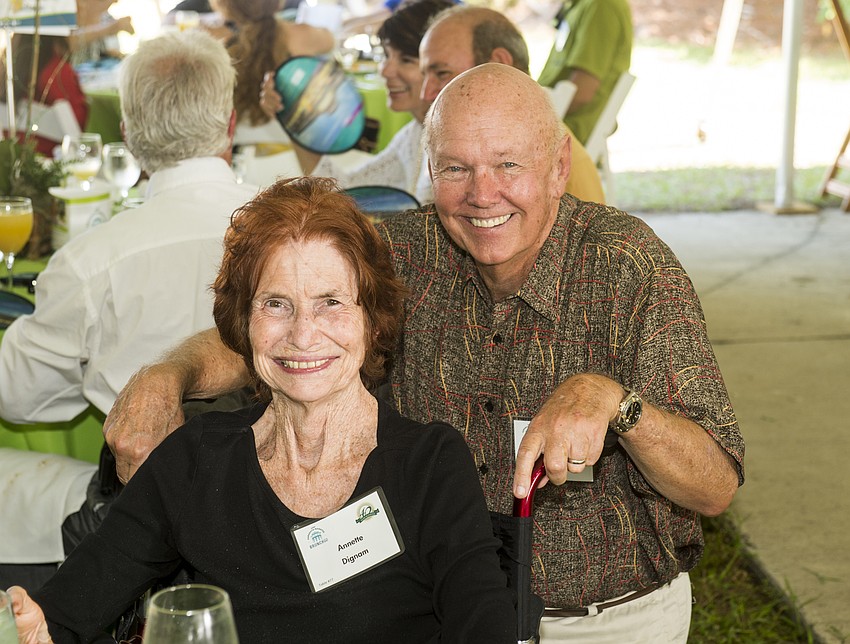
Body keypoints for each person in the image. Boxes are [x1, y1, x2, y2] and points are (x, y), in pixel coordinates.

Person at [101, 64, 745, 642]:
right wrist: (170, 374)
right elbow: (279, 329)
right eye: (455, 168)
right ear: (428, 170)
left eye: (508, 166)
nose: (481, 194)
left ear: (557, 166)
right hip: (422, 608)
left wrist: (616, 403)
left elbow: (714, 486)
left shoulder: (629, 270)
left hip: (600, 621)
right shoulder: (402, 253)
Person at [8, 176, 516, 643]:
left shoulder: (428, 465)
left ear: (373, 322)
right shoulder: (196, 460)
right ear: (243, 325)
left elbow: (483, 629)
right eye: (276, 303)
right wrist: (39, 632)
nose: (301, 334)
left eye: (331, 302)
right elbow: (63, 614)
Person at [0, 30, 258, 586]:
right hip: (283, 501)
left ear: (129, 138)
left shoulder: (92, 260)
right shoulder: (293, 226)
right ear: (231, 125)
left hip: (144, 517)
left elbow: (17, 398)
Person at [260, 0, 455, 204]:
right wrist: (293, 118)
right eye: (386, 55)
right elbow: (351, 191)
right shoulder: (414, 134)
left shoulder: (449, 143)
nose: (384, 70)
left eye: (406, 60)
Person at [418, 4, 605, 204]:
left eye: (442, 73)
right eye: (456, 169)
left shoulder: (552, 161)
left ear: (499, 62)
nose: (425, 94)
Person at [212, 0, 334, 127]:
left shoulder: (221, 45)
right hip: (292, 134)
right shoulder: (302, 35)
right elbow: (331, 41)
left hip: (238, 137)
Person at [537, 0, 633, 145]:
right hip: (552, 118)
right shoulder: (580, 5)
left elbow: (581, 93)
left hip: (564, 129)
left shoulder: (601, 6)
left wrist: (530, 114)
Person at [6, 34, 88, 155]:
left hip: (12, 155)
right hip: (53, 156)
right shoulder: (57, 72)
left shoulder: (7, 68)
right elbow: (79, 123)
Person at [70, 0, 134, 64]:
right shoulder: (72, 12)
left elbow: (110, 51)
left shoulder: (108, 18)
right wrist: (112, 27)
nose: (114, 3)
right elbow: (68, 42)